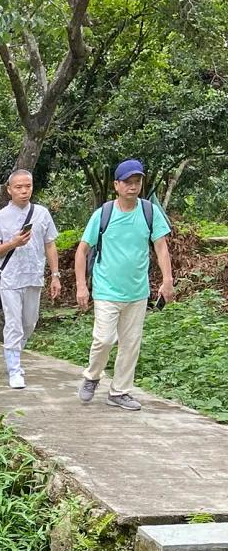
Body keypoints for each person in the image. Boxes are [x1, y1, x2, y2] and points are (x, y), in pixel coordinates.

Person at [74, 159, 173, 411]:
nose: (133, 186)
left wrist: (167, 280)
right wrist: (81, 286)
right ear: (116, 185)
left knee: (130, 343)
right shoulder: (103, 214)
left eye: (137, 181)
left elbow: (161, 247)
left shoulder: (150, 212)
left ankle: (119, 392)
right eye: (127, 182)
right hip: (106, 289)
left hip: (137, 291)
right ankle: (92, 376)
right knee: (104, 339)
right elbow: (82, 250)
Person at [0, 169, 61, 390]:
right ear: (9, 190)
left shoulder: (42, 213)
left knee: (29, 322)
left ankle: (13, 355)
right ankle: (15, 369)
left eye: (28, 186)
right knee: (14, 324)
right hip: (9, 278)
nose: (24, 191)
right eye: (19, 187)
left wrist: (55, 275)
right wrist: (12, 243)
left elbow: (50, 244)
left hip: (34, 276)